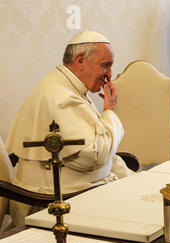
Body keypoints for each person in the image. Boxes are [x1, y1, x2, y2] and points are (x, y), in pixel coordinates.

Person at [5, 31, 133, 226]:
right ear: (80, 60)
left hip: (81, 192)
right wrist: (110, 111)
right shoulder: (60, 96)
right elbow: (94, 155)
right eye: (105, 65)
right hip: (59, 202)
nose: (109, 75)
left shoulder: (68, 87)